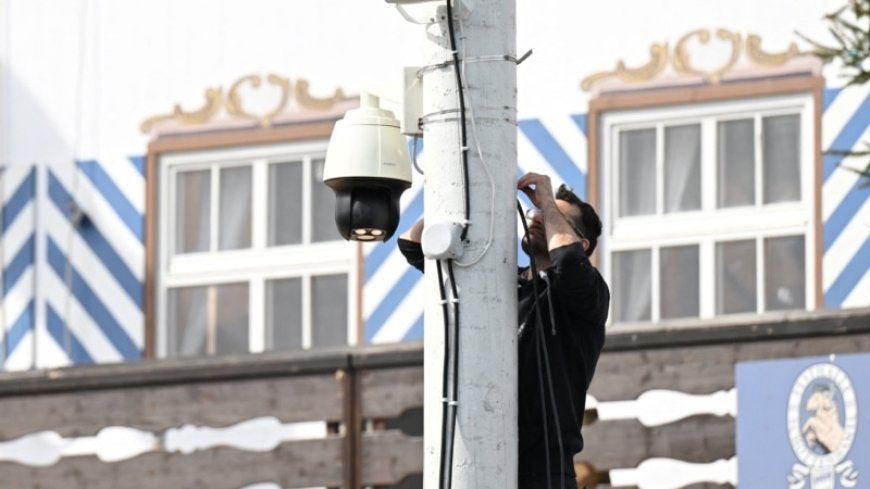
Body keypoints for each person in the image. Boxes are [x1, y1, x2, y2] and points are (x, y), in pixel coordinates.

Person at [397, 172, 610, 489]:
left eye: (552, 218)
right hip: (479, 464)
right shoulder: (503, 281)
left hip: (544, 473)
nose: (537, 217)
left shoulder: (588, 295)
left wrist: (548, 201)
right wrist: (463, 198)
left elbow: (568, 260)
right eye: (535, 212)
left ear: (583, 244)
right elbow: (414, 246)